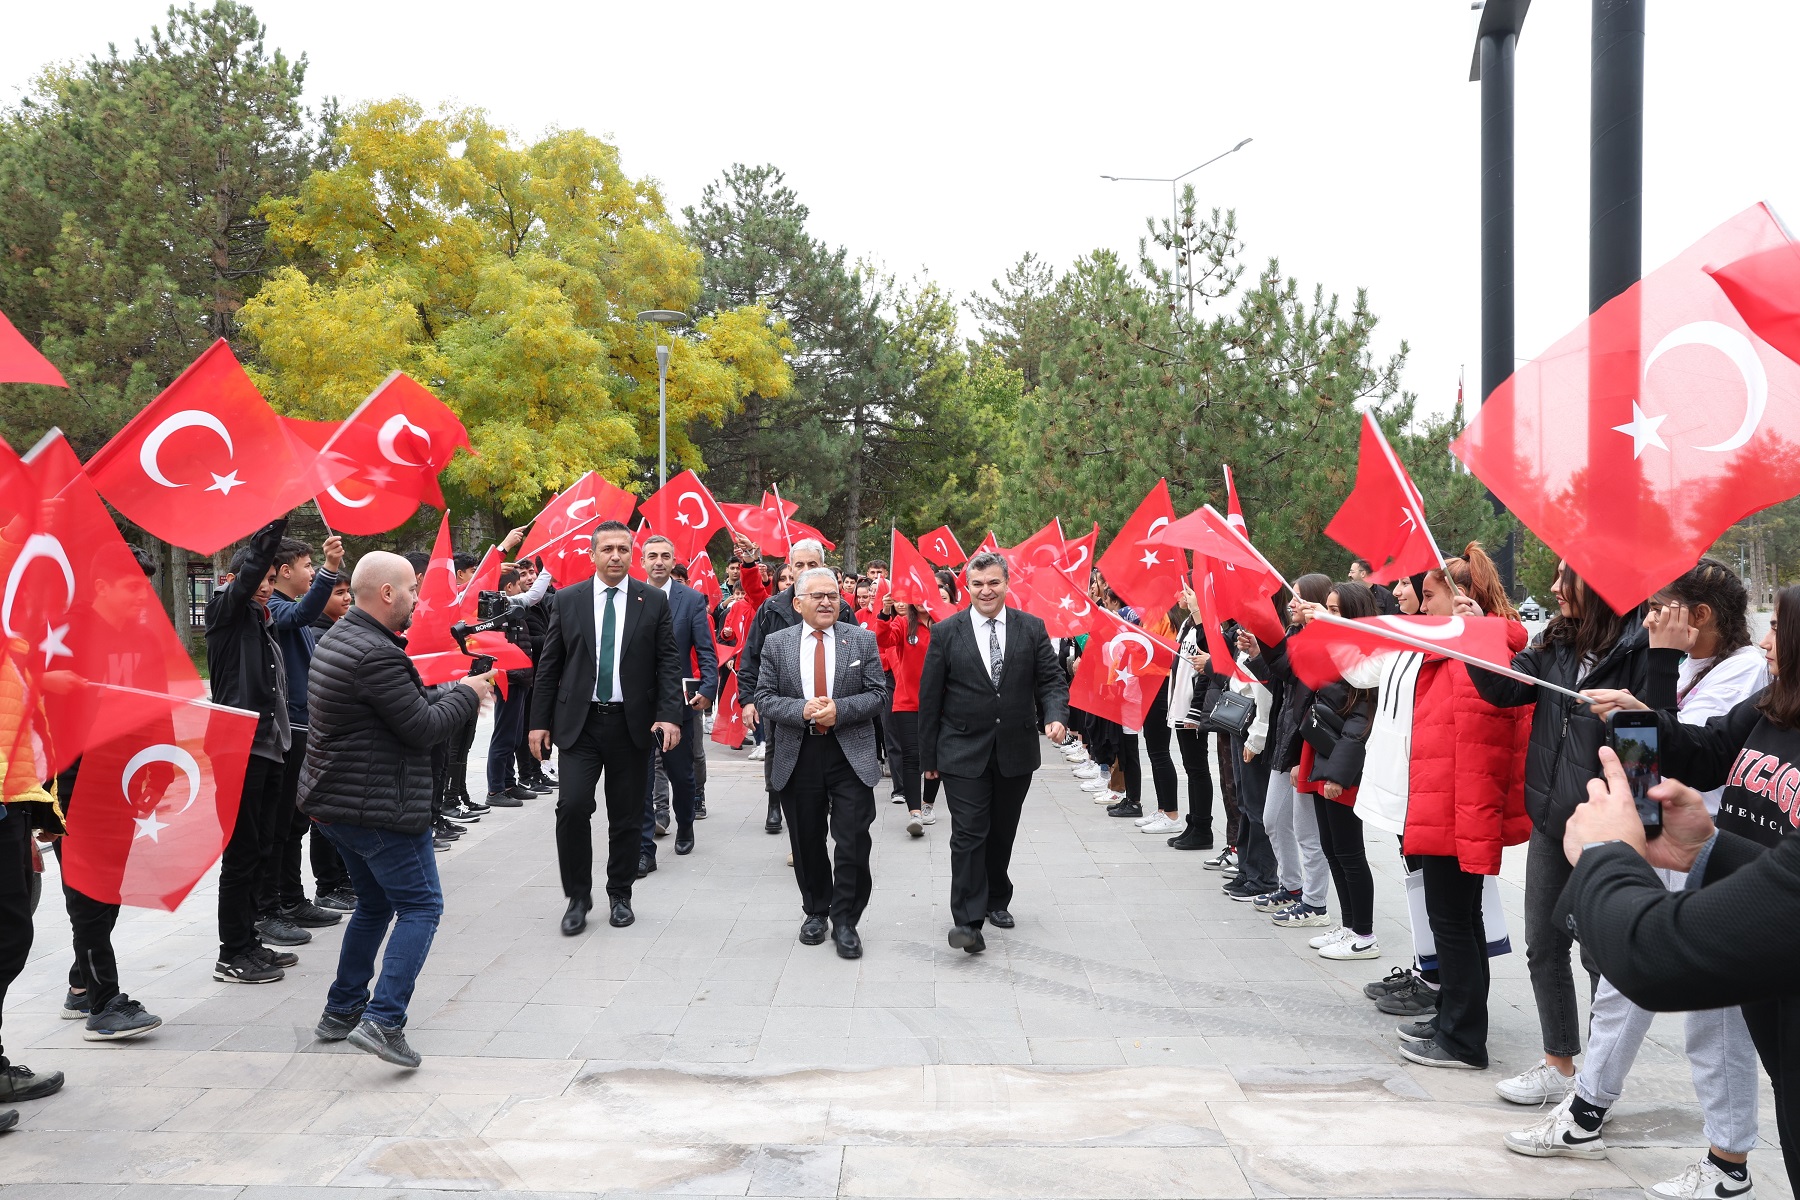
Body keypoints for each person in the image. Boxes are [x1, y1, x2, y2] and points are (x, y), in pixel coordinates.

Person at [1554, 574, 1790, 1197]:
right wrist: (1637, 720)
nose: (1771, 644)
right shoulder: (1771, 706)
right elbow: (1696, 750)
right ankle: (1592, 1108)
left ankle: (1723, 1161)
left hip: (1758, 900)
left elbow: (1650, 958)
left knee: (1706, 1023)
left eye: (1785, 633)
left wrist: (1608, 857)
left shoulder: (1741, 673)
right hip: (1725, 868)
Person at [1463, 559, 1653, 1106]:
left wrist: (1642, 828)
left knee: (1601, 957)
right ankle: (1558, 1062)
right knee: (1543, 945)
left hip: (1605, 829)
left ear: (1596, 586)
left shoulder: (1641, 653)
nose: (1552, 589)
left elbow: (1649, 747)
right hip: (1550, 819)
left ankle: (1596, 1085)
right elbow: (1503, 689)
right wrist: (1478, 631)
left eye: (1564, 579)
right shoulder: (1556, 639)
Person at [299, 551, 491, 1069]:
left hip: (340, 802)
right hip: (376, 806)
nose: (416, 598)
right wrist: (470, 694)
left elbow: (401, 710)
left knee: (375, 904)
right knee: (422, 906)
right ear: (386, 593)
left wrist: (446, 690)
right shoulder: (375, 654)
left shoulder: (343, 637)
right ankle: (383, 1020)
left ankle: (341, 1010)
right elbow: (424, 728)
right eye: (410, 589)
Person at [1368, 547, 1531, 1070]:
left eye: (1429, 595)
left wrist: (1468, 829)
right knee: (1454, 923)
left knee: (1457, 925)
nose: (1418, 606)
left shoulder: (1478, 658)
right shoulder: (1454, 654)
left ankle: (1462, 1039)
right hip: (1441, 810)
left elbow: (1479, 753)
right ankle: (1450, 1018)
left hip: (1457, 815)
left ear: (1462, 600)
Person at [528, 521, 684, 934]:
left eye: (622, 549)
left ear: (631, 555)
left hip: (631, 726)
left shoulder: (651, 600)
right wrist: (538, 723)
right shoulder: (568, 599)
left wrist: (669, 714)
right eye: (607, 549)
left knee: (628, 814)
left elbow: (668, 662)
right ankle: (578, 896)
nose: (615, 555)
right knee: (573, 807)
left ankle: (620, 893)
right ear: (593, 554)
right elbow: (550, 667)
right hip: (580, 726)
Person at [43, 545, 168, 1039]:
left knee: (108, 890)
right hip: (71, 780)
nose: (143, 596)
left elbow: (159, 709)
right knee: (89, 891)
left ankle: (79, 986)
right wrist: (42, 680)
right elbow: (13, 681)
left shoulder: (145, 638)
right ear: (100, 587)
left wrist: (161, 773)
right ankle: (103, 1002)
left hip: (124, 778)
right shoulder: (60, 633)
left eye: (146, 586)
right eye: (132, 587)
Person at [917, 550, 1070, 954]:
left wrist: (1055, 715)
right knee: (968, 834)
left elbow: (1051, 680)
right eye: (978, 584)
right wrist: (928, 760)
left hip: (1015, 750)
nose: (986, 590)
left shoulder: (1031, 628)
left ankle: (996, 896)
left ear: (1006, 584)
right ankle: (967, 921)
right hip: (961, 749)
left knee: (1001, 831)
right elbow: (929, 698)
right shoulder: (947, 632)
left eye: (993, 583)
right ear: (967, 587)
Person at [752, 567, 888, 958]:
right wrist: (802, 710)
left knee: (852, 841)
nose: (827, 601)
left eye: (832, 595)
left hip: (850, 753)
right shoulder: (777, 644)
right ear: (798, 603)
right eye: (817, 596)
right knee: (807, 839)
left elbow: (879, 694)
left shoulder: (860, 640)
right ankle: (816, 910)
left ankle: (846, 920)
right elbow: (763, 698)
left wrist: (839, 710)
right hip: (799, 754)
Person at [205, 518, 302, 983]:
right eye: (260, 579)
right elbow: (246, 578)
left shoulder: (263, 625)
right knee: (241, 852)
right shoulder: (226, 613)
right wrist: (273, 519)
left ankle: (250, 940)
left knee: (263, 847)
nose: (264, 588)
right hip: (237, 748)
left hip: (270, 747)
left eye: (268, 581)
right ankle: (231, 951)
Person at [258, 534, 349, 947]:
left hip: (306, 724)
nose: (314, 573)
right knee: (282, 824)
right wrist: (331, 568)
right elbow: (303, 612)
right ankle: (279, 902)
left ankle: (293, 898)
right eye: (309, 566)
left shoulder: (291, 612)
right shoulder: (279, 609)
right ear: (284, 571)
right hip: (288, 728)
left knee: (295, 821)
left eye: (317, 566)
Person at [739, 540, 853, 835]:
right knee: (777, 752)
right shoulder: (772, 606)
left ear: (824, 566)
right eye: (798, 565)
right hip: (781, 701)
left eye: (812, 565)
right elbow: (752, 654)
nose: (804, 570)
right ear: (788, 567)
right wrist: (748, 699)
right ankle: (776, 803)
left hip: (830, 702)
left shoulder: (841, 607)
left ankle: (820, 811)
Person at [1293, 581, 1381, 960]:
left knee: (1349, 851)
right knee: (1332, 846)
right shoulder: (1338, 650)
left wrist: (1337, 775)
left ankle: (1363, 934)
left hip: (1342, 765)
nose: (1329, 613)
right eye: (1327, 606)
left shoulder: (1364, 660)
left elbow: (1359, 722)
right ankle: (1348, 926)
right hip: (1324, 754)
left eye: (1337, 609)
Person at [1243, 575, 1334, 925]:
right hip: (1285, 744)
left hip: (1304, 748)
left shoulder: (1322, 642)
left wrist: (1298, 758)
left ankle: (1315, 904)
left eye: (1298, 598)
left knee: (1308, 832)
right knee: (1274, 821)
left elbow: (1306, 688)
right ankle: (1292, 886)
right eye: (1291, 597)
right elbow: (1281, 673)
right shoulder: (1297, 636)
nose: (1291, 603)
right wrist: (1258, 649)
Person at [637, 533, 718, 875]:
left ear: (673, 561)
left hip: (679, 701)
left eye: (665, 556)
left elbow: (705, 649)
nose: (658, 561)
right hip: (637, 702)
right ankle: (645, 841)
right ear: (642, 561)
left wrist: (709, 688)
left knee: (682, 775)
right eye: (652, 555)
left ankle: (686, 823)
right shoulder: (628, 596)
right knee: (640, 774)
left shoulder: (691, 599)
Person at [874, 587, 943, 837]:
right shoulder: (903, 623)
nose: (921, 601)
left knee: (934, 757)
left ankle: (928, 804)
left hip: (939, 704)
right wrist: (884, 612)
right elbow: (882, 640)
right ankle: (914, 812)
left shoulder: (943, 625)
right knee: (911, 757)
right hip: (906, 702)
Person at [1163, 587, 1217, 850]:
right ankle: (1193, 823)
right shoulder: (1188, 624)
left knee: (1198, 769)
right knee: (1191, 769)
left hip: (1192, 710)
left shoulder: (1206, 626)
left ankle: (1203, 828)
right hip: (1181, 706)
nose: (1179, 597)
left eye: (1186, 592)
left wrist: (1196, 711)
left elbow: (1206, 672)